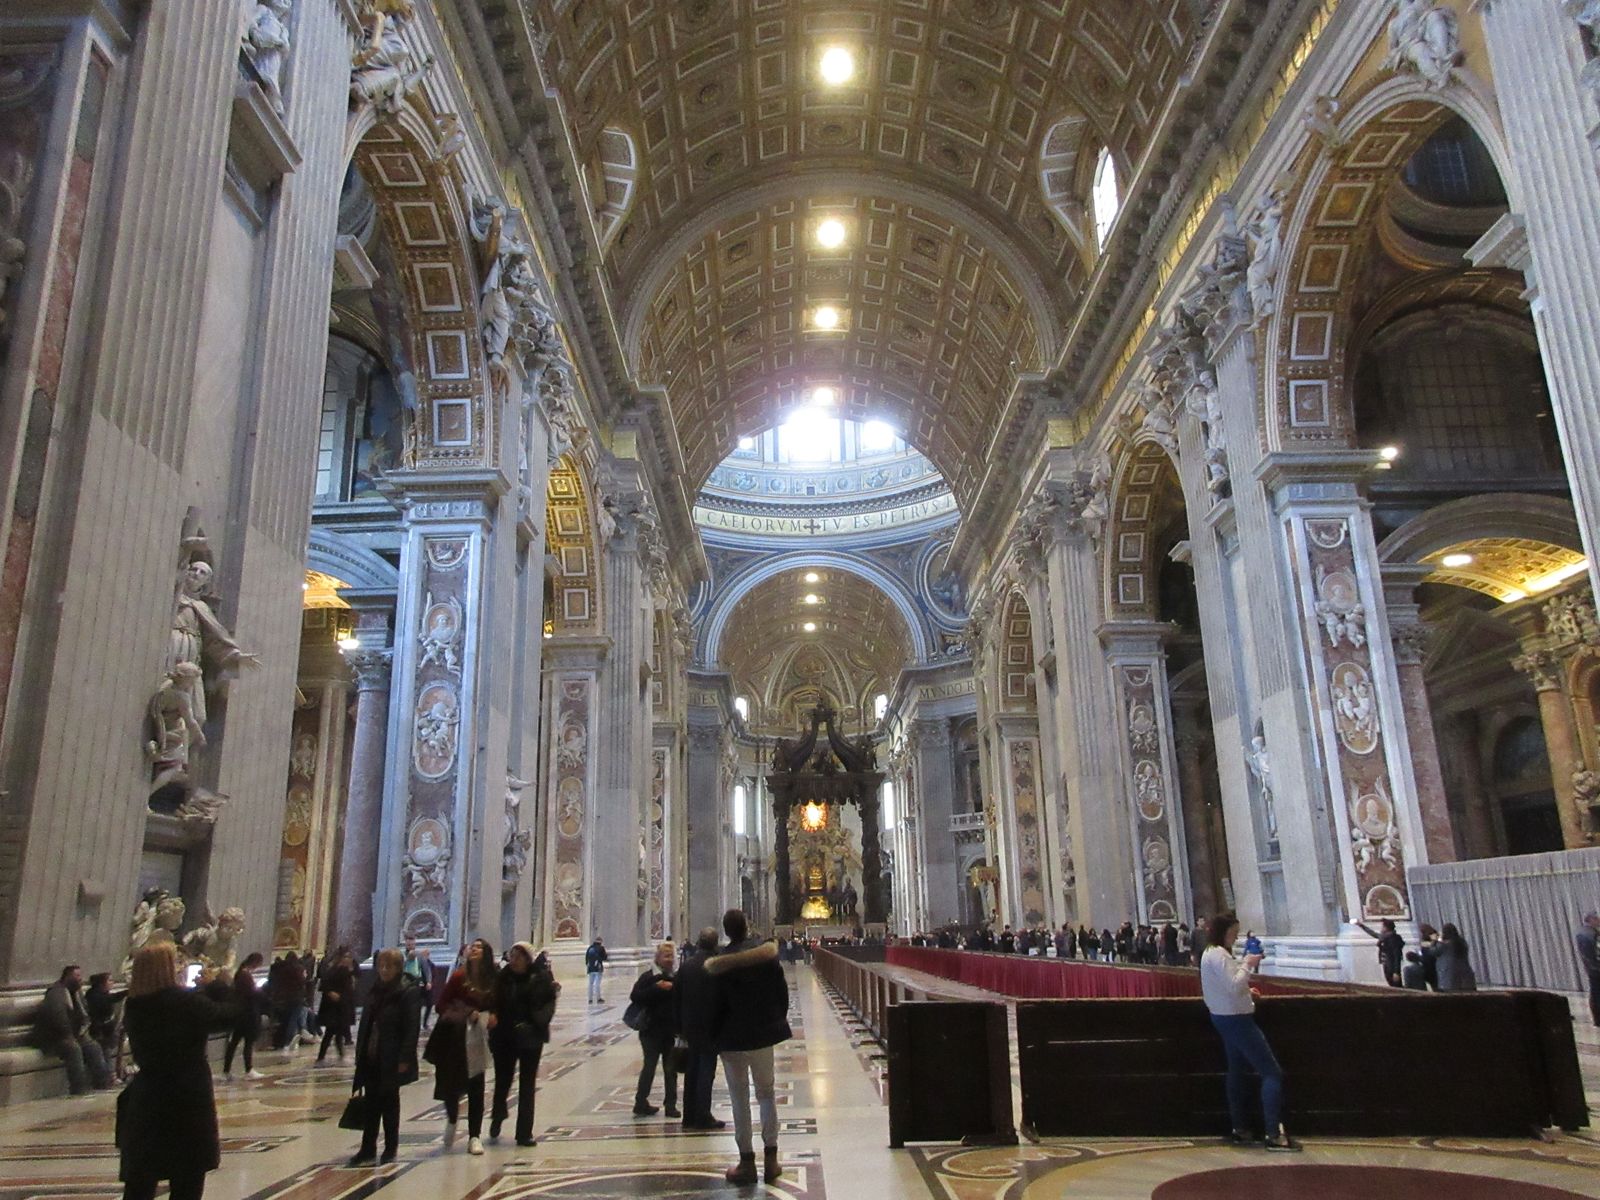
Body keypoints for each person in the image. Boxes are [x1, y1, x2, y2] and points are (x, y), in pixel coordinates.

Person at [117, 942, 240, 1200]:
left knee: (141, 1180)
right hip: (186, 1096)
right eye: (176, 962)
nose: (181, 967)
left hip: (148, 1095)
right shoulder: (185, 1002)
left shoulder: (134, 1005)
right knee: (187, 1178)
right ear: (166, 968)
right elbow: (229, 1015)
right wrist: (219, 985)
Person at [706, 909, 792, 1185]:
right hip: (762, 1035)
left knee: (739, 1098)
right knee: (766, 1093)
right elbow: (781, 993)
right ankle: (771, 1158)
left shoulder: (720, 964)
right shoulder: (766, 957)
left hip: (732, 1039)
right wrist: (774, 1020)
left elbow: (714, 1005)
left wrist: (715, 1035)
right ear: (746, 927)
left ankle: (746, 1161)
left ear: (726, 931)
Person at [1200, 912, 1299, 1152]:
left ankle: (1240, 1128)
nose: (1235, 938)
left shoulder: (1210, 953)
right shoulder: (1219, 955)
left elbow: (1226, 986)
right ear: (1224, 932)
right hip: (1237, 1019)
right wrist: (1248, 963)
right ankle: (1274, 1134)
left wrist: (1247, 991)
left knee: (1236, 1071)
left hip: (1222, 1016)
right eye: (1233, 933)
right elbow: (1234, 985)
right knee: (1272, 1073)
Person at [347, 948, 422, 1166]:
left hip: (392, 1054)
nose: (384, 970)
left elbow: (412, 1028)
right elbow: (367, 1022)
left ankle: (390, 1147)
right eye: (381, 966)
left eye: (389, 966)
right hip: (371, 1053)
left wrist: (405, 1058)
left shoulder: (408, 991)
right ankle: (367, 1148)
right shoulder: (375, 989)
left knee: (389, 1103)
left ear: (398, 968)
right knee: (371, 1103)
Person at [426, 937, 497, 1154]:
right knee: (451, 1085)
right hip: (455, 1037)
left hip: (478, 1037)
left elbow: (498, 1002)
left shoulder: (491, 979)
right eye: (472, 946)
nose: (474, 949)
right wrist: (467, 1012)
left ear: (486, 953)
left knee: (476, 1086)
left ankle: (474, 1135)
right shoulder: (458, 976)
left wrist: (494, 1015)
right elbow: (441, 1005)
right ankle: (452, 1118)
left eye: (479, 947)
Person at [489, 941, 558, 1147]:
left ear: (528, 959)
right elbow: (493, 1001)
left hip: (531, 1036)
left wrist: (539, 1021)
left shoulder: (541, 978)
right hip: (505, 1035)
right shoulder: (502, 978)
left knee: (527, 1085)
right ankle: (498, 1115)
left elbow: (549, 1003)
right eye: (512, 956)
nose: (514, 960)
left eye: (518, 957)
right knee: (503, 1081)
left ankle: (524, 1132)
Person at [674, 926, 726, 1131]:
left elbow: (676, 997)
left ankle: (688, 1117)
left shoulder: (686, 966)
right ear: (714, 944)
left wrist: (679, 1026)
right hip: (710, 1027)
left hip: (689, 1027)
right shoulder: (716, 965)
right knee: (705, 1073)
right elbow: (723, 998)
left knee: (691, 1072)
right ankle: (703, 1115)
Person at [37, 964, 112, 1094]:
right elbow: (58, 1019)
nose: (80, 979)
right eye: (77, 976)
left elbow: (84, 1014)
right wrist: (70, 1035)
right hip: (56, 1037)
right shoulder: (56, 993)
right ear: (67, 977)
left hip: (75, 1034)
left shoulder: (77, 993)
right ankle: (78, 1087)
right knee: (74, 1049)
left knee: (93, 1047)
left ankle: (102, 1082)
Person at [630, 942, 681, 1118]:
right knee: (649, 1067)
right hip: (650, 1031)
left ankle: (671, 1104)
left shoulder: (675, 977)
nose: (669, 959)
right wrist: (656, 988)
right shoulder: (648, 977)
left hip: (669, 1031)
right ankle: (640, 1102)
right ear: (658, 958)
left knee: (671, 1069)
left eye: (671, 956)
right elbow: (635, 997)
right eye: (666, 956)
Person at [223, 953, 265, 1080]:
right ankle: (248, 1069)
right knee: (247, 1042)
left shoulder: (241, 973)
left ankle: (227, 1070)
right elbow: (250, 993)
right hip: (247, 1013)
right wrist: (259, 991)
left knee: (234, 1042)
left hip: (241, 1012)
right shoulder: (245, 975)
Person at [85, 972, 126, 1082]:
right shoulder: (95, 996)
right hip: (99, 1031)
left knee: (107, 1052)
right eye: (109, 980)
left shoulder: (101, 994)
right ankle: (108, 1077)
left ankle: (110, 1075)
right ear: (102, 983)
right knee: (103, 1053)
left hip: (105, 1031)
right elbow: (110, 999)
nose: (112, 983)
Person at [317, 950, 356, 1062]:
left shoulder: (345, 971)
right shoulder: (335, 970)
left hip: (341, 1006)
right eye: (346, 957)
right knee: (331, 1032)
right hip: (334, 1007)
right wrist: (331, 993)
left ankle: (339, 1054)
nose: (349, 960)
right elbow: (325, 985)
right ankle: (322, 1056)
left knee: (338, 1032)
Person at [269, 952, 307, 1049]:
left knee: (285, 1020)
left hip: (281, 998)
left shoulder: (277, 968)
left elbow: (271, 981)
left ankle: (278, 1042)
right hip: (295, 997)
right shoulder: (297, 968)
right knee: (293, 1019)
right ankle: (288, 1040)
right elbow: (302, 981)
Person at [1428, 922, 1477, 992]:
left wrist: (1434, 941)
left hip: (1449, 978)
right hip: (1466, 977)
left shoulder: (1444, 945)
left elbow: (1432, 952)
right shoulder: (1462, 942)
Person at [1357, 919, 1405, 987]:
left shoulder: (1393, 939)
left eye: (1383, 927)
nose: (1381, 928)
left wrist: (1396, 972)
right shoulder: (1385, 937)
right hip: (1386, 963)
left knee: (1395, 984)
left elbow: (1397, 955)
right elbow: (1373, 934)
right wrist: (1361, 925)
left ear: (1386, 928)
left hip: (1391, 965)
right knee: (1391, 982)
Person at [402, 933, 433, 1029]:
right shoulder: (402, 956)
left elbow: (426, 968)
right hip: (407, 982)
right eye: (408, 945)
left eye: (412, 945)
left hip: (419, 981)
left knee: (429, 1002)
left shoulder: (419, 955)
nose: (410, 946)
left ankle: (424, 1023)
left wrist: (428, 981)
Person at [1576, 912, 1600, 1028]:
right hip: (1597, 968)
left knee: (1595, 993)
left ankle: (1597, 1019)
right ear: (1591, 920)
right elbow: (1597, 953)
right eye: (1597, 919)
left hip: (1591, 968)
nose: (1599, 921)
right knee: (1597, 994)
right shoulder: (1594, 934)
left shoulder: (1581, 933)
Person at [585, 936, 608, 1004]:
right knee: (597, 984)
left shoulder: (590, 948)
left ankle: (590, 999)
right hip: (598, 968)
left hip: (590, 968)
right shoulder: (601, 948)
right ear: (601, 942)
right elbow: (605, 957)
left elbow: (586, 958)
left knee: (590, 984)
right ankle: (598, 998)